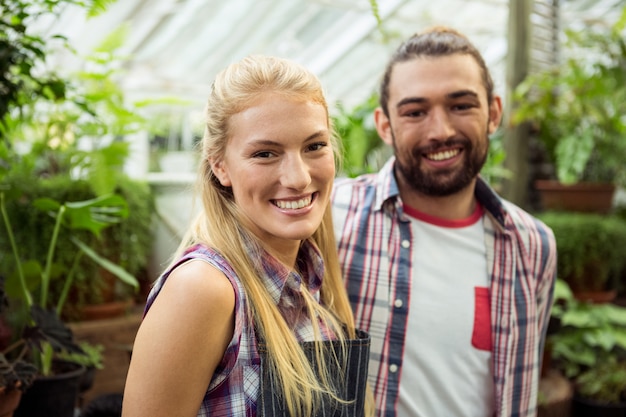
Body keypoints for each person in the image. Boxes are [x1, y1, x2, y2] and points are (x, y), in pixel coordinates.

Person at [122, 55, 372, 417]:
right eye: (265, 153)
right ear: (219, 165)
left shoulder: (310, 275)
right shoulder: (203, 289)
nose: (299, 177)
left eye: (314, 146)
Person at [331, 27, 557, 417]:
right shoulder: (329, 216)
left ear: (494, 113)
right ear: (385, 125)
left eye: (461, 106)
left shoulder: (533, 245)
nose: (441, 131)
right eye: (415, 112)